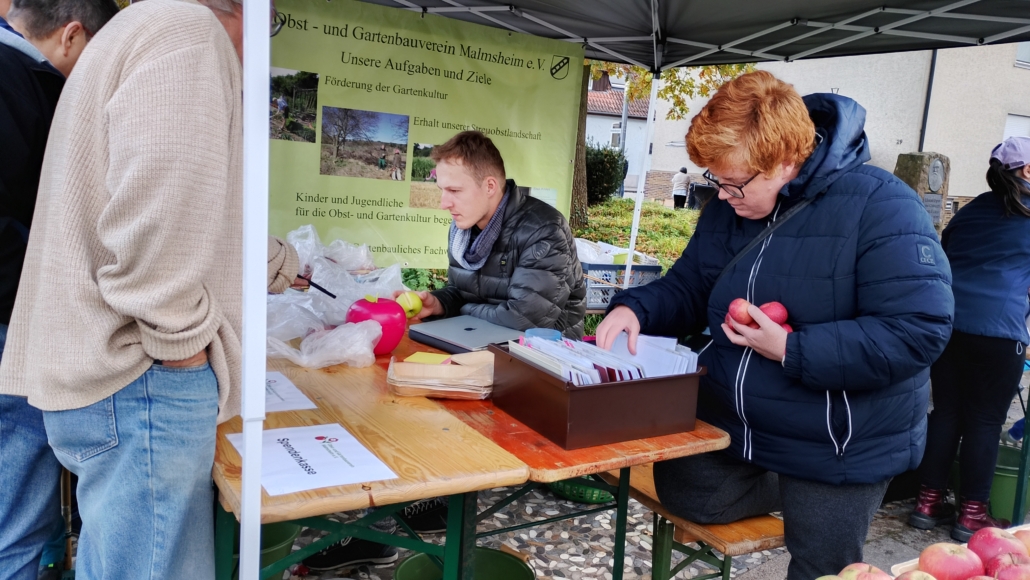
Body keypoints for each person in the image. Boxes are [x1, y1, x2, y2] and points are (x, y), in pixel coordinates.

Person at [595, 71, 953, 580]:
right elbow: (693, 286)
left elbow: (919, 329)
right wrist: (637, 308)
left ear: (786, 161)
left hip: (838, 439)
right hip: (742, 419)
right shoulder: (728, 206)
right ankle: (785, 483)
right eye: (714, 180)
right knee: (686, 489)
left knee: (822, 565)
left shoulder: (882, 205)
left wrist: (792, 349)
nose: (722, 195)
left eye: (734, 182)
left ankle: (814, 491)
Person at [0, 0, 295, 577]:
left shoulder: (145, 32)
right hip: (143, 377)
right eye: (273, 23)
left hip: (122, 375)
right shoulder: (186, 31)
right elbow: (157, 217)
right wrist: (181, 347)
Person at [0, 1, 118, 579]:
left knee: (26, 503)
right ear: (73, 35)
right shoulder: (13, 77)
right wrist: (63, 277)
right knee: (14, 514)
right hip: (11, 323)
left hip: (22, 319)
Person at [909, 136, 1030, 541]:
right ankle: (972, 516)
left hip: (950, 326)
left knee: (945, 413)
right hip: (1000, 333)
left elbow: (946, 257)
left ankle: (927, 502)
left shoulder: (970, 211)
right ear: (1026, 171)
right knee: (984, 420)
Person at [405, 130, 586, 337]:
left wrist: (460, 311)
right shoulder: (462, 230)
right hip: (480, 342)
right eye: (442, 190)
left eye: (454, 191)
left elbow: (522, 321)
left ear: (490, 186)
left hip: (541, 359)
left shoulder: (544, 231)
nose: (443, 204)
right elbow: (463, 293)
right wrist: (439, 304)